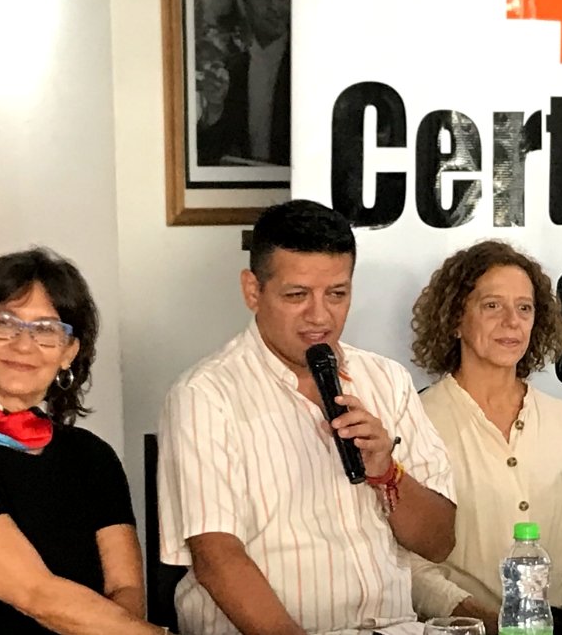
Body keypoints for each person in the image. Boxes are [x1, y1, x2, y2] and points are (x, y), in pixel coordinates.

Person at [157, 200, 457, 635]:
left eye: (337, 294)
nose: (320, 316)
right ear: (252, 291)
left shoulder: (387, 379)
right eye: (297, 295)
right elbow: (217, 558)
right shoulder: (205, 395)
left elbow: (439, 542)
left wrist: (386, 472)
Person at [0, 248, 160, 633]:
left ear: (69, 352)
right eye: (4, 324)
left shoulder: (93, 456)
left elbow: (125, 589)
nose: (23, 345)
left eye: (46, 330)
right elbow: (38, 596)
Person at [408, 240, 562, 633]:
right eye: (492, 306)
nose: (512, 322)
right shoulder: (416, 422)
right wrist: (487, 623)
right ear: (455, 319)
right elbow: (411, 566)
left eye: (524, 308)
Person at [196, 0, 290, 166]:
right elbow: (207, 158)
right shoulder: (232, 70)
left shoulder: (308, 67)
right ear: (243, 6)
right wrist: (214, 109)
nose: (274, 6)